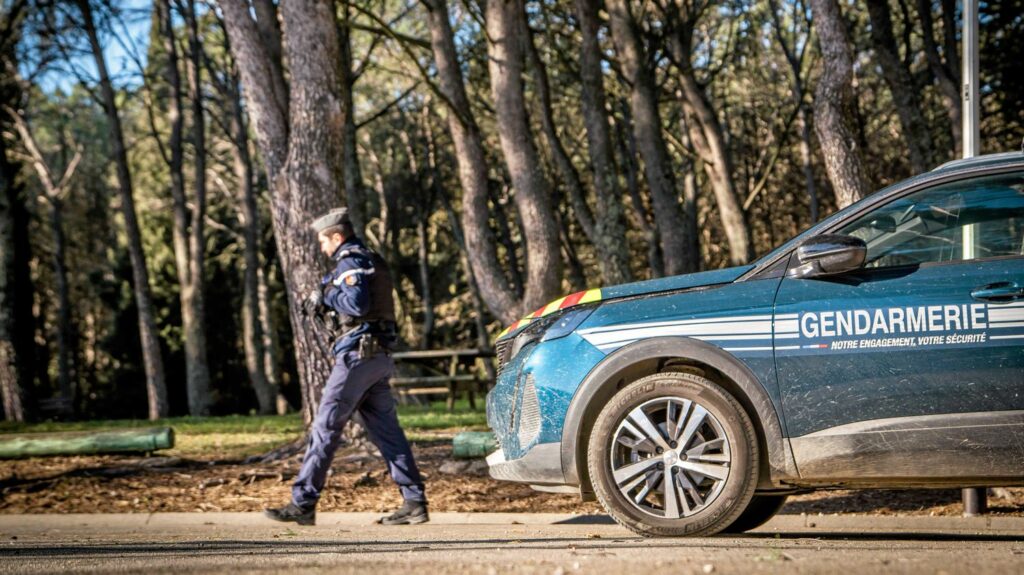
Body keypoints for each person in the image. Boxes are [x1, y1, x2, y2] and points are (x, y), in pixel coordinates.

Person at [264, 207, 428, 526]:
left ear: (337, 237)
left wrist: (326, 297)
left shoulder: (351, 261)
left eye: (324, 242)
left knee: (326, 425)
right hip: (377, 358)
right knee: (388, 432)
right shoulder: (370, 259)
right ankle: (414, 502)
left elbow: (357, 304)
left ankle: (303, 502)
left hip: (358, 357)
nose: (324, 248)